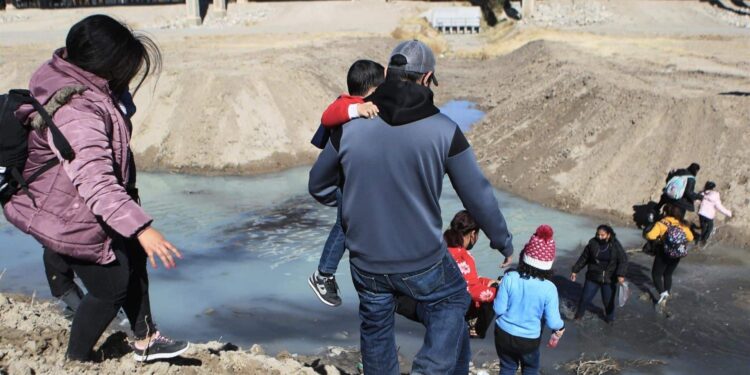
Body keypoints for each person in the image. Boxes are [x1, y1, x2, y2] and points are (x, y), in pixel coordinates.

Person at [309, 39, 514, 375]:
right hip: (422, 260)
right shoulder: (445, 130)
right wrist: (502, 242)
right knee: (453, 300)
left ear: (388, 73)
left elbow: (318, 184)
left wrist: (356, 206)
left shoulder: (350, 122)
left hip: (366, 261)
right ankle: (429, 369)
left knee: (376, 329)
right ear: (427, 78)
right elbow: (478, 196)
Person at [3, 15, 188, 362]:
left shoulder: (78, 79)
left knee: (132, 256)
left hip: (72, 201)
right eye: (125, 67)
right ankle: (77, 359)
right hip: (67, 213)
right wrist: (143, 228)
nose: (130, 76)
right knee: (112, 285)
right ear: (104, 65)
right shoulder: (78, 111)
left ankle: (146, 339)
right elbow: (96, 181)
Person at [308, 60, 384, 307]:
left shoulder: (367, 105)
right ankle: (323, 274)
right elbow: (328, 115)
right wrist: (356, 111)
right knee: (344, 225)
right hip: (347, 184)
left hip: (355, 182)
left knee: (352, 225)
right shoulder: (349, 106)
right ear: (373, 89)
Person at [494, 225, 564, 375]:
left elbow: (498, 309)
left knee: (507, 367)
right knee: (531, 369)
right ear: (549, 264)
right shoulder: (549, 288)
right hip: (528, 340)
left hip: (503, 334)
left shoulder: (510, 277)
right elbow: (553, 322)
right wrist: (561, 327)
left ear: (524, 257)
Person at [444, 210, 499, 339]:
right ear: (473, 234)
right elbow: (472, 291)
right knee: (494, 292)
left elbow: (465, 278)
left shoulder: (443, 248)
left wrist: (486, 282)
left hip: (438, 300)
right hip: (454, 309)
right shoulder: (464, 256)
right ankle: (475, 329)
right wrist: (498, 291)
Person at [570, 225, 628, 324]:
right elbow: (584, 258)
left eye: (602, 235)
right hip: (593, 277)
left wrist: (620, 275)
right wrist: (575, 270)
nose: (599, 237)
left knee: (608, 303)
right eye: (598, 234)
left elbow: (623, 260)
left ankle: (610, 320)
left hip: (609, 279)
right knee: (584, 299)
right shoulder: (593, 243)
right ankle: (578, 317)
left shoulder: (615, 245)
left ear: (608, 235)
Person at [645, 203, 695, 310]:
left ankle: (663, 294)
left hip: (663, 253)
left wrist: (660, 238)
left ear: (666, 212)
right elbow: (690, 238)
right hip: (677, 254)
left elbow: (650, 235)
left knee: (656, 274)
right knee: (668, 274)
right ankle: (667, 292)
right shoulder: (682, 224)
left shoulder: (661, 223)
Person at [696, 181, 732, 245]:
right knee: (710, 227)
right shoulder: (715, 196)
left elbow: (697, 201)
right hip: (709, 216)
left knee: (703, 227)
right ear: (713, 188)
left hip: (701, 214)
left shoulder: (702, 194)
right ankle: (704, 240)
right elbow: (720, 208)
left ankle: (700, 239)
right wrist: (729, 213)